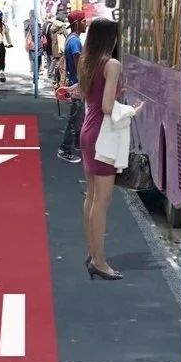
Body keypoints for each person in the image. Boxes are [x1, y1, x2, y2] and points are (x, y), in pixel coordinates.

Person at [75, 17, 124, 280]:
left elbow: (86, 95)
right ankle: (99, 261)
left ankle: (93, 252)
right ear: (111, 38)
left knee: (92, 196)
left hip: (87, 129)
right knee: (103, 201)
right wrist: (131, 110)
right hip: (103, 133)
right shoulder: (112, 64)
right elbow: (108, 107)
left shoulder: (87, 61)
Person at [57, 15, 85, 163]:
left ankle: (78, 144)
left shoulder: (71, 39)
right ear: (77, 23)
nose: (86, 24)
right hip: (77, 86)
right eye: (84, 21)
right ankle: (64, 149)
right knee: (74, 120)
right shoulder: (75, 42)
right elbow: (79, 65)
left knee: (79, 117)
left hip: (75, 84)